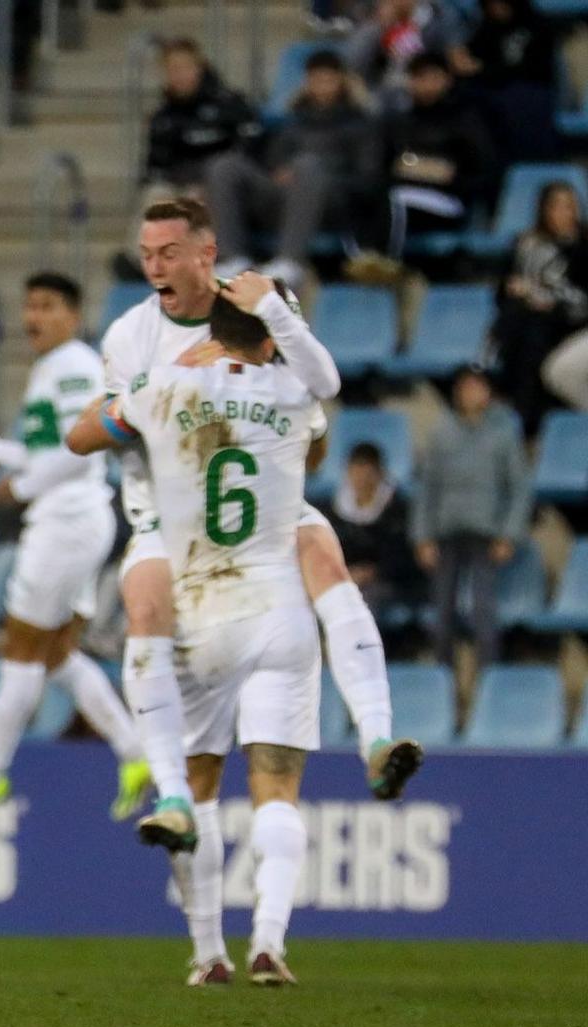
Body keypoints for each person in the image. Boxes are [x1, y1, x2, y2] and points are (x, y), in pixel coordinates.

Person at [100, 202, 422, 876]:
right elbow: (99, 431)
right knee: (150, 607)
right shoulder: (131, 335)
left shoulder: (249, 312)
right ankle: (178, 798)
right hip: (179, 515)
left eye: (166, 252)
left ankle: (375, 734)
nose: (154, 266)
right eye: (146, 253)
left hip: (257, 503)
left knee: (321, 554)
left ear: (203, 255)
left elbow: (316, 400)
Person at [71, 293, 329, 988]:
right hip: (272, 594)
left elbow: (83, 434)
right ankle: (268, 940)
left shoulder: (168, 376)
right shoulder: (295, 389)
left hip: (195, 587)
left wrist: (157, 387)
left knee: (199, 779)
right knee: (276, 781)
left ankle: (208, 949)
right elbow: (318, 441)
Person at [0, 274, 151, 822]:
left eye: (47, 306)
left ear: (72, 316)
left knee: (20, 646)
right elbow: (41, 449)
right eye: (28, 306)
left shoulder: (74, 365)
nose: (33, 316)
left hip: (67, 520)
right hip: (71, 519)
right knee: (54, 654)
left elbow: (80, 447)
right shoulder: (52, 368)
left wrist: (21, 489)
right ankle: (134, 753)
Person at [206, 49, 378, 288]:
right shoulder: (291, 123)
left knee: (307, 165)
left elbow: (368, 181)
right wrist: (280, 173)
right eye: (316, 80)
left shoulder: (361, 125)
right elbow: (271, 165)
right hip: (282, 198)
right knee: (225, 166)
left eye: (329, 80)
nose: (322, 87)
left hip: (330, 205)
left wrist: (317, 175)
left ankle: (290, 261)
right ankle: (232, 258)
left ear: (342, 82)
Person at [413, 365, 531, 670]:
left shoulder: (504, 433)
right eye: (466, 386)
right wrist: (422, 535)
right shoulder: (441, 433)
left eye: (478, 386)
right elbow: (427, 487)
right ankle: (443, 681)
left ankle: (487, 680)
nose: (471, 392)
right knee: (442, 614)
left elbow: (518, 489)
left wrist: (509, 534)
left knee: (483, 612)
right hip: (446, 531)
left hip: (485, 533)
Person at [369, 51, 497, 267]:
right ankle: (361, 263)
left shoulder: (465, 120)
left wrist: (447, 176)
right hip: (403, 194)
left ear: (447, 79)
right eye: (420, 78)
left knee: (396, 200)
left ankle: (385, 264)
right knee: (367, 198)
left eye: (434, 77)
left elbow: (484, 168)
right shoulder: (398, 123)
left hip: (448, 200)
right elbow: (383, 166)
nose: (427, 84)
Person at [494, 181, 588, 426]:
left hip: (574, 323)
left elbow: (581, 300)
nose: (564, 213)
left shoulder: (584, 247)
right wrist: (518, 290)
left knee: (534, 334)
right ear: (543, 210)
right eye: (556, 206)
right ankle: (523, 419)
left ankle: (526, 420)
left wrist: (547, 297)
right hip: (531, 323)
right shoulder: (526, 244)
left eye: (569, 206)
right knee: (525, 324)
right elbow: (503, 291)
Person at [141, 38, 260, 201]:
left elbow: (249, 149)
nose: (180, 76)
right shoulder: (163, 118)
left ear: (200, 68)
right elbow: (155, 168)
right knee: (155, 197)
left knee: (198, 200)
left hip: (225, 186)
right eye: (173, 70)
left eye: (185, 68)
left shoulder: (230, 104)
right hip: (180, 184)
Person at [450, 0, 559, 164]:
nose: (496, 9)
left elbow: (535, 69)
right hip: (491, 92)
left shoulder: (539, 26)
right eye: (491, 5)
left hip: (529, 93)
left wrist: (484, 69)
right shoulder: (488, 28)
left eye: (501, 4)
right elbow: (472, 57)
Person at [329, 441, 422, 623]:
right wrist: (348, 572)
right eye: (356, 470)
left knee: (364, 600)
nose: (362, 478)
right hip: (346, 577)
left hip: (387, 582)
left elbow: (404, 557)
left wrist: (371, 572)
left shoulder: (398, 509)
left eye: (368, 472)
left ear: (379, 473)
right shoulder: (334, 511)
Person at [347, 0, 466, 98]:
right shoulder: (373, 17)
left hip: (430, 81)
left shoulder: (439, 16)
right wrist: (378, 27)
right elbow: (354, 62)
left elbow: (456, 59)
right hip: (385, 89)